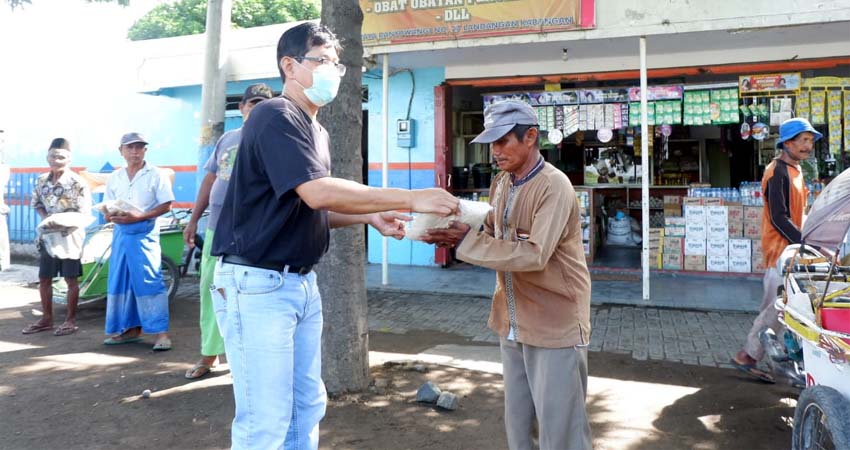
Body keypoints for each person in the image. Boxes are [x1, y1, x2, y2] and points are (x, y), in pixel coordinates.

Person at [210, 22, 458, 450]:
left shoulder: (316, 131)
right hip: (257, 286)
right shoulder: (276, 115)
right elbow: (318, 191)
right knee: (265, 419)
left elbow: (308, 209)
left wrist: (371, 217)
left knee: (306, 404)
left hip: (300, 284)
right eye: (321, 61)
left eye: (337, 64)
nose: (334, 71)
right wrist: (414, 196)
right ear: (289, 66)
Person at [422, 100, 593, 450]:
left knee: (562, 434)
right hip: (513, 321)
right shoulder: (502, 182)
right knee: (518, 428)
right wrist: (455, 223)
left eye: (503, 142)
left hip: (554, 324)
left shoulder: (554, 186)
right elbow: (495, 224)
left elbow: (534, 254)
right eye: (491, 143)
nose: (495, 152)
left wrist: (465, 241)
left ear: (531, 136)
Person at [181, 82, 274, 380]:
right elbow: (209, 181)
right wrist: (194, 219)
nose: (257, 107)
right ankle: (210, 355)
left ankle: (249, 361)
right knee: (213, 292)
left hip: (253, 235)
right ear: (242, 108)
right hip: (216, 231)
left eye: (264, 102)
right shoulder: (227, 139)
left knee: (252, 297)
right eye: (252, 102)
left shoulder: (276, 141)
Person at [731, 118, 820, 383]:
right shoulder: (777, 171)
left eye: (811, 141)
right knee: (775, 309)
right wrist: (805, 242)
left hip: (793, 252)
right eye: (803, 140)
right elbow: (780, 217)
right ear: (788, 143)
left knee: (784, 309)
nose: (808, 146)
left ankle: (777, 357)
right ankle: (747, 355)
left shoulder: (796, 170)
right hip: (781, 253)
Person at [102, 132, 175, 351]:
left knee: (149, 281)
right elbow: (107, 205)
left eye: (139, 147)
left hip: (144, 234)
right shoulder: (115, 177)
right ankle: (130, 330)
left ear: (145, 150)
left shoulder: (156, 174)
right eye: (130, 147)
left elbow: (166, 204)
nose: (135, 151)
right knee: (122, 281)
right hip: (121, 235)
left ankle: (162, 334)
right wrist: (109, 214)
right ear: (121, 151)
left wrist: (140, 216)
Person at [21, 138, 91, 336]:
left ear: (69, 159)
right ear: (47, 156)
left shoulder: (78, 183)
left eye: (61, 157)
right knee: (44, 278)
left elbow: (85, 214)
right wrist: (47, 219)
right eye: (53, 156)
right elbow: (37, 203)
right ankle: (47, 319)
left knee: (70, 280)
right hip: (48, 237)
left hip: (70, 237)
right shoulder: (42, 180)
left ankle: (70, 320)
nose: (56, 160)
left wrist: (62, 221)